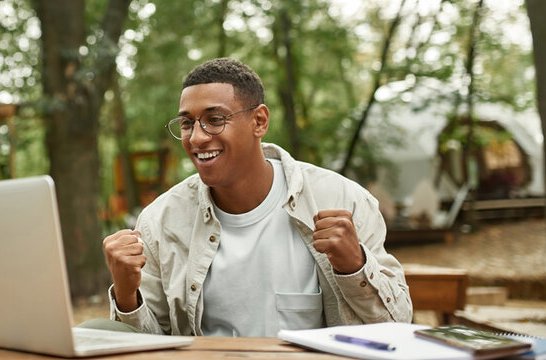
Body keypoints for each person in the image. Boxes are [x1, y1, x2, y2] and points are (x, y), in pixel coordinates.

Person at [100, 58, 412, 337]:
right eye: (186, 123)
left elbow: (398, 326)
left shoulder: (343, 199)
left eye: (215, 119)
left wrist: (354, 266)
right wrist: (127, 296)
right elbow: (146, 347)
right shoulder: (160, 221)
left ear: (259, 121)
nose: (196, 137)